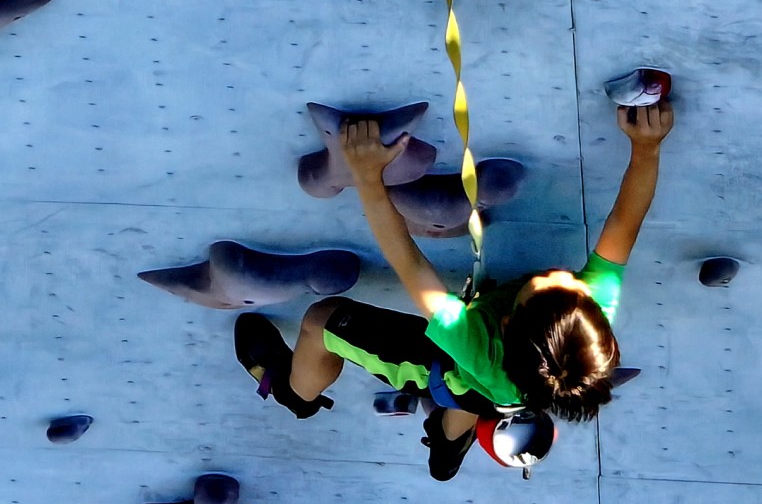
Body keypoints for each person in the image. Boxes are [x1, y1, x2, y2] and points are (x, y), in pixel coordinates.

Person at [236, 100, 674, 480]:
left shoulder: (467, 339)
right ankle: (447, 448)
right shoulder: (587, 316)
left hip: (451, 369)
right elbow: (624, 223)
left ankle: (295, 394)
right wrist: (647, 147)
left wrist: (368, 176)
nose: (561, 276)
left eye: (541, 288)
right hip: (502, 390)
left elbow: (407, 260)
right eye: (572, 289)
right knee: (479, 398)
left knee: (321, 321)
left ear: (507, 322)